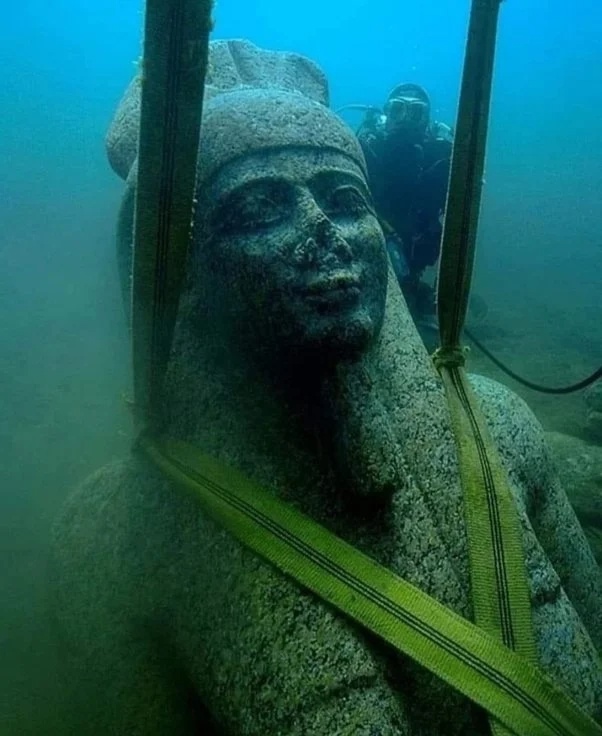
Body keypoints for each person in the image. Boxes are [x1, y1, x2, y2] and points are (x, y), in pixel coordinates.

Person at [51, 40, 601, 735]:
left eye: (344, 201)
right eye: (260, 208)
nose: (324, 232)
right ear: (183, 276)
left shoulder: (505, 429)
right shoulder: (113, 539)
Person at [356, 82, 453, 321]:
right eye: (398, 110)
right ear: (386, 113)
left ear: (426, 119)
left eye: (416, 112)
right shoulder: (368, 147)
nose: (405, 119)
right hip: (374, 234)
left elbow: (458, 217)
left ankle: (411, 286)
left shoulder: (440, 157)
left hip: (416, 243)